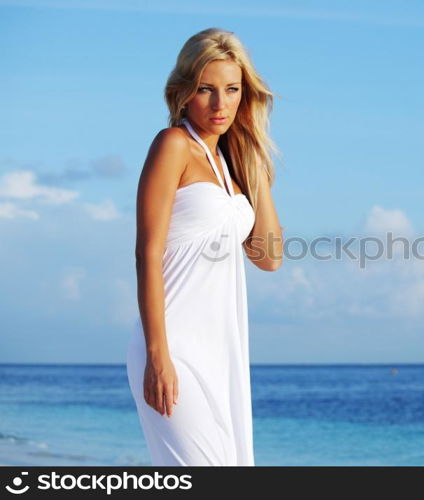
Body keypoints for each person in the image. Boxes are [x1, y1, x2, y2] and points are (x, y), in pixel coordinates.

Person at [126, 27, 283, 466]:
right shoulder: (172, 145)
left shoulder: (232, 168)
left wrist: (253, 157)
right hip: (171, 348)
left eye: (232, 90)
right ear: (182, 93)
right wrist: (158, 356)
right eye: (205, 90)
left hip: (222, 352)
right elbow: (147, 253)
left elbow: (268, 257)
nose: (220, 104)